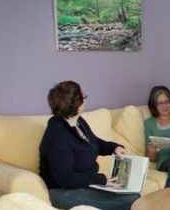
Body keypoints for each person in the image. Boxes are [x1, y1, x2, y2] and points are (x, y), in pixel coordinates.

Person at [39, 81, 138, 210]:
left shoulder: (78, 121)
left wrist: (114, 148)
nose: (86, 98)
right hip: (63, 192)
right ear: (75, 104)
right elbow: (66, 179)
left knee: (133, 195)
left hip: (86, 184)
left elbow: (94, 142)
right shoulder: (58, 134)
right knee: (132, 200)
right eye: (83, 96)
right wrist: (101, 180)